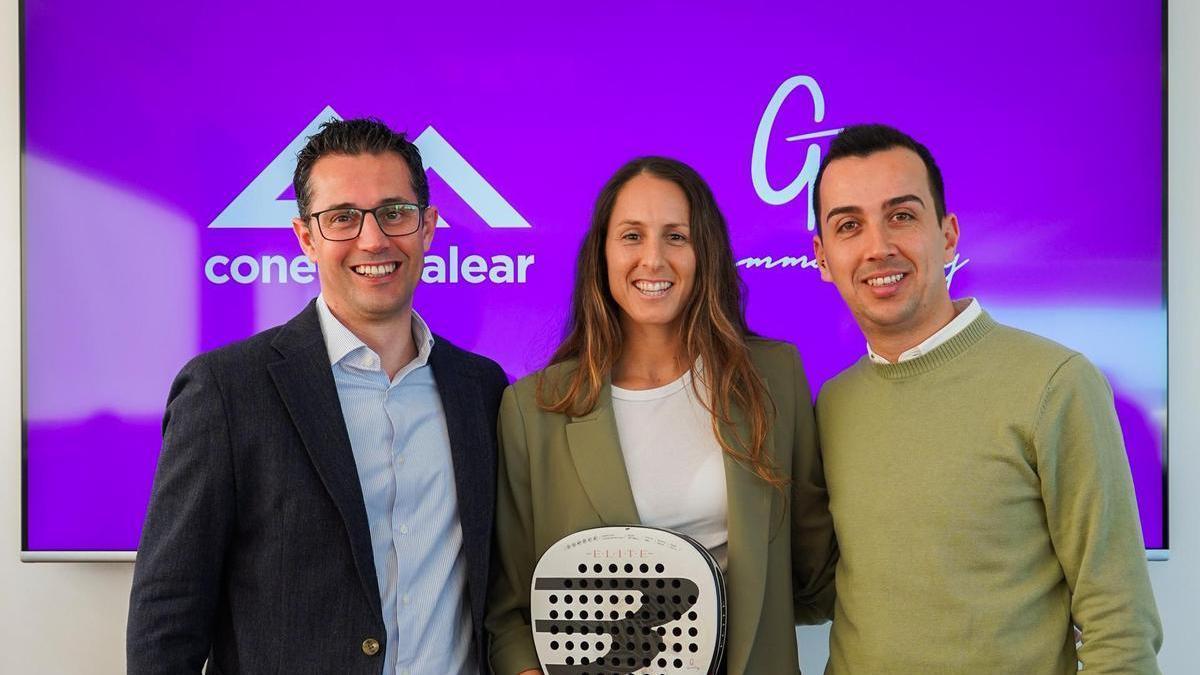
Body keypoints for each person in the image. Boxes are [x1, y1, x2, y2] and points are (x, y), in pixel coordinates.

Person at [127, 118, 507, 674]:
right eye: (342, 218)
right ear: (306, 237)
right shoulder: (226, 391)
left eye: (394, 212)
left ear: (427, 227)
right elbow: (166, 619)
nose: (373, 239)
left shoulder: (482, 390)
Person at [810, 123, 1162, 673]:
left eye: (902, 216)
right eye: (849, 225)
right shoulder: (833, 406)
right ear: (823, 258)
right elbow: (821, 593)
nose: (878, 247)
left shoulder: (1056, 383)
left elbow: (1119, 624)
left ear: (948, 234)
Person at [486, 156, 837, 675]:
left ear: (706, 253)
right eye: (632, 236)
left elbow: (816, 573)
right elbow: (508, 612)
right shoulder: (534, 410)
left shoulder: (774, 378)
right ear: (601, 255)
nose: (653, 259)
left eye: (677, 236)